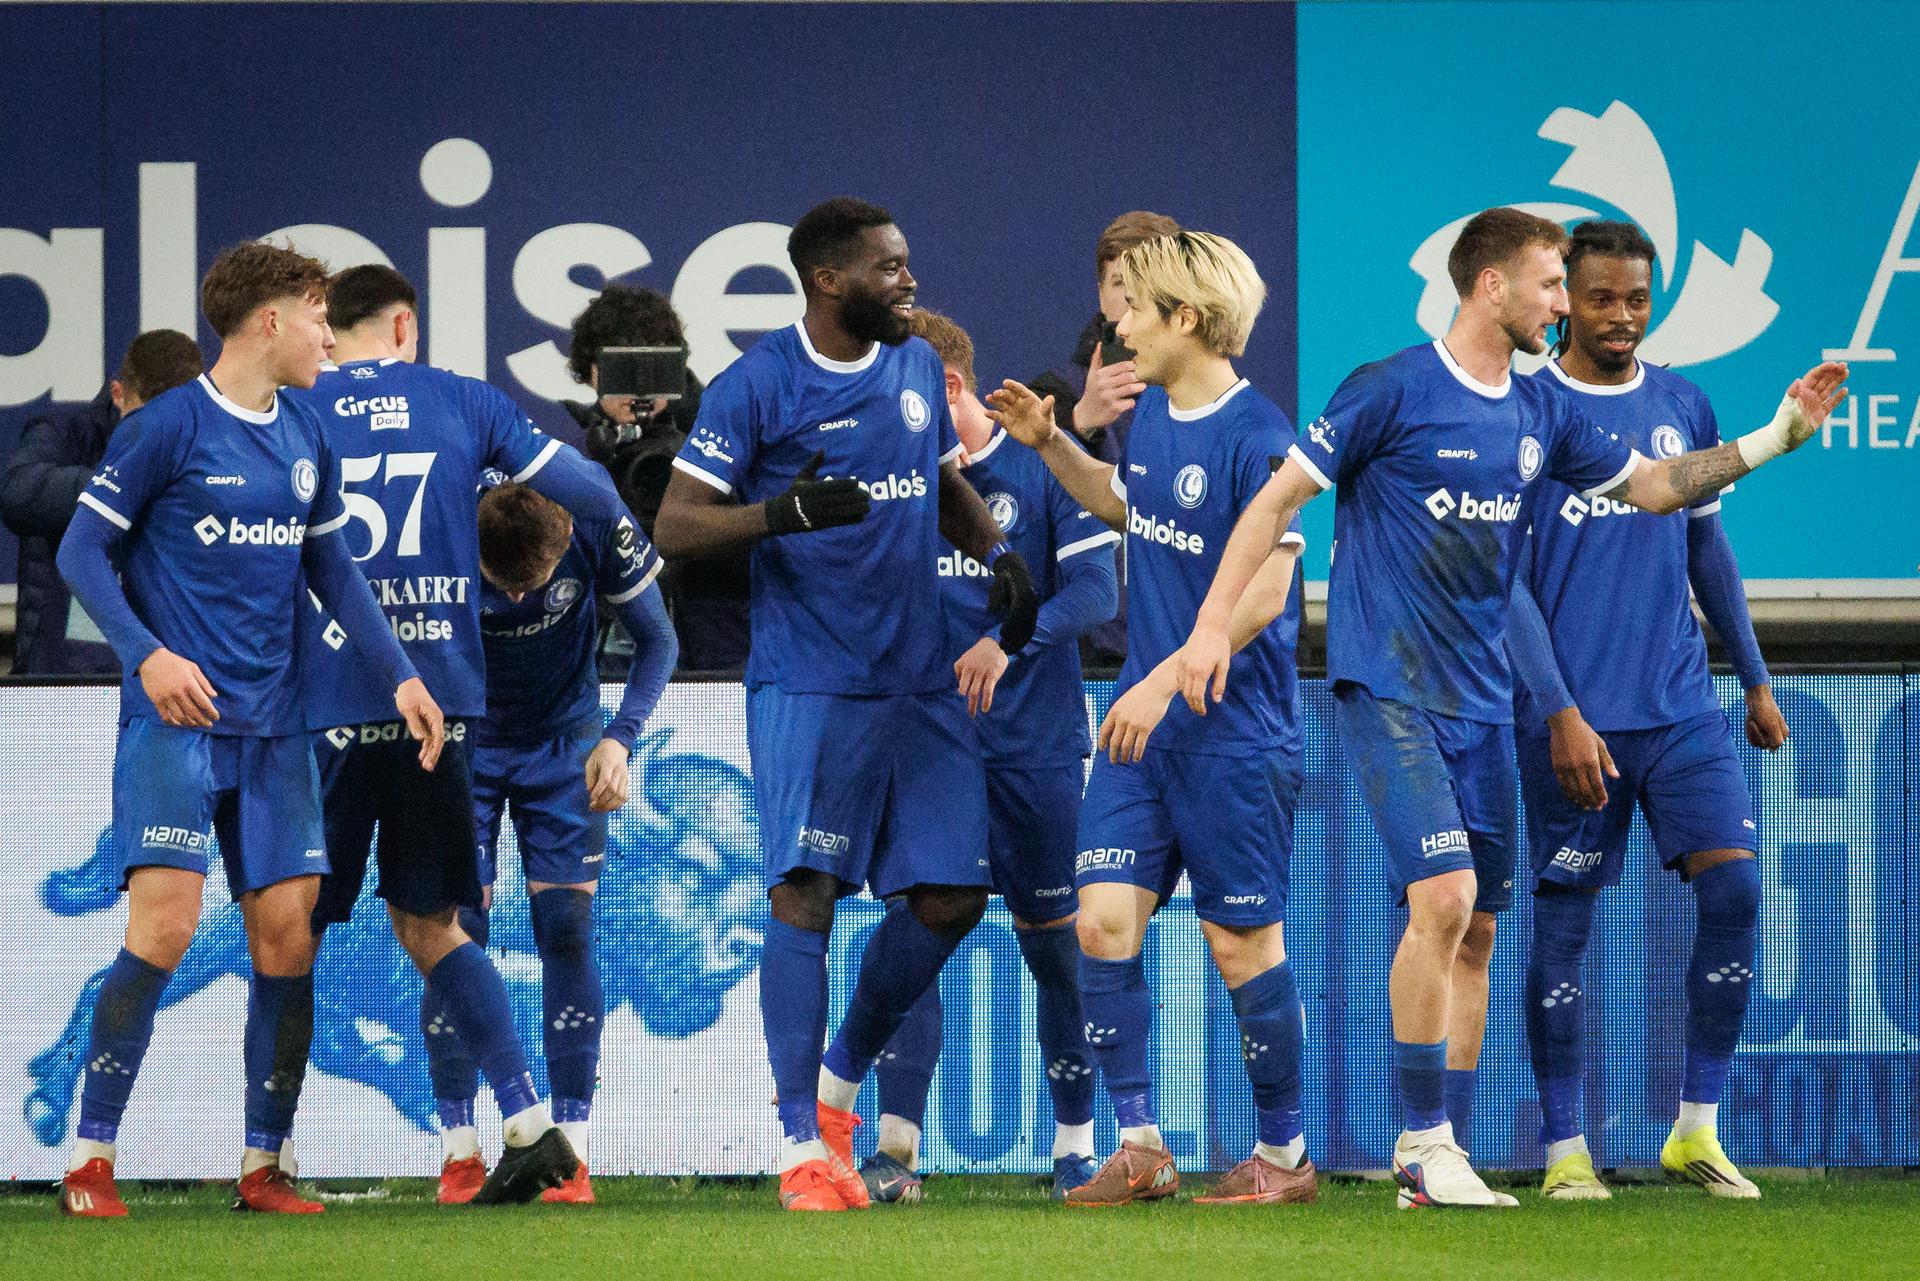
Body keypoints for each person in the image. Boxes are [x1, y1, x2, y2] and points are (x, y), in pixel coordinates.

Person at [1165, 207, 1846, 1209]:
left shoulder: (1540, 414)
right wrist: (1214, 624)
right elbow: (1274, 505)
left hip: (1483, 702)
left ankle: (1440, 1159)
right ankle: (1419, 1144)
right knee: (1441, 901)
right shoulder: (1386, 390)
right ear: (1493, 287)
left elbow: (1659, 488)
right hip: (1388, 686)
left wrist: (1775, 437)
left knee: (1477, 930)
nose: (1565, 306)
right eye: (1552, 287)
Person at [652, 196, 1037, 1212]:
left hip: (919, 679)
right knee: (806, 897)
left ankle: (835, 1084)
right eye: (890, 267)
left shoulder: (913, 368)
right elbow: (676, 527)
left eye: (907, 264)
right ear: (830, 281)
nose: (910, 280)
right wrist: (776, 514)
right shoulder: (755, 387)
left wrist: (996, 554)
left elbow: (946, 484)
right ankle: (798, 1148)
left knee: (953, 898)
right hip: (814, 681)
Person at [52, 241, 443, 1217]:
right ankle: (90, 1158)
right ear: (268, 321)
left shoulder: (304, 430)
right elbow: (80, 551)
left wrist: (399, 676)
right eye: (317, 317)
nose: (328, 334)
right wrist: (146, 652)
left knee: (285, 943)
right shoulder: (168, 428)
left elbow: (333, 571)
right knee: (168, 929)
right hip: (175, 724)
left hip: (279, 734)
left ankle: (264, 1164)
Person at [292, 263, 637, 1204]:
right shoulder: (464, 403)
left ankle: (270, 1157)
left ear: (333, 327)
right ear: (406, 323)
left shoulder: (291, 407)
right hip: (437, 710)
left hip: (322, 703)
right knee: (433, 921)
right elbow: (596, 495)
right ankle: (527, 1122)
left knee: (291, 927)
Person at [986, 230, 1316, 1207]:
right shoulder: (1161, 417)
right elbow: (1132, 508)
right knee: (1100, 922)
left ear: (1186, 319)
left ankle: (1286, 1160)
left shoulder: (1259, 431)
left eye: (1132, 307)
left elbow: (1272, 585)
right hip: (1146, 738)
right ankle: (1140, 1146)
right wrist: (1053, 444)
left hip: (1232, 736)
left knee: (1240, 945)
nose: (1115, 322)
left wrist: (1164, 679)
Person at [1507, 220, 1785, 1201]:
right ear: (1564, 301)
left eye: (1636, 299)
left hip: (1682, 712)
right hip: (1571, 724)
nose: (1620, 316)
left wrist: (1750, 677)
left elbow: (1708, 551)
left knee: (1737, 894)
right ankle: (1563, 1149)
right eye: (1599, 298)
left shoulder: (1681, 400)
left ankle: (1696, 1131)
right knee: (1565, 923)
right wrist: (1556, 710)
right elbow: (1508, 586)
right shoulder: (1527, 409)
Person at [856, 309, 1118, 1204]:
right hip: (928, 756)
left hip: (1033, 755)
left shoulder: (1039, 466)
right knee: (918, 938)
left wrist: (1011, 637)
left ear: (951, 389)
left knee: (1057, 952)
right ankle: (894, 1149)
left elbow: (1095, 589)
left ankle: (1076, 1146)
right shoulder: (895, 480)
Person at [422, 480, 676, 1204]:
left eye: (536, 585)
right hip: (461, 735)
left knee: (564, 925)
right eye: (504, 587)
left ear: (566, 536)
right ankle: (459, 1149)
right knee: (457, 929)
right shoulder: (441, 522)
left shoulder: (596, 509)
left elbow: (660, 638)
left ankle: (573, 1150)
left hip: (566, 739)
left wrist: (621, 739)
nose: (522, 598)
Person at [563, 284, 749, 671]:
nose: (635, 388)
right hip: (608, 661)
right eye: (619, 369)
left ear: (674, 367)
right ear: (589, 374)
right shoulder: (570, 458)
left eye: (651, 368)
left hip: (714, 658)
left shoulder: (722, 434)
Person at [1, 330, 201, 675]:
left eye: (172, 424)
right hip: (69, 666)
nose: (158, 438)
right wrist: (123, 486)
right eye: (145, 421)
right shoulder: (63, 429)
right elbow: (18, 494)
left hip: (174, 658)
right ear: (118, 394)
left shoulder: (209, 437)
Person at [1055, 211, 1175, 667]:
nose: (1129, 299)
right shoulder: (1054, 395)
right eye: (1118, 283)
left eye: (1145, 283)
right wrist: (1080, 424)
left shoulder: (1219, 403)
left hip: (1192, 652)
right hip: (1094, 655)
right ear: (1099, 292)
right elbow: (1016, 511)